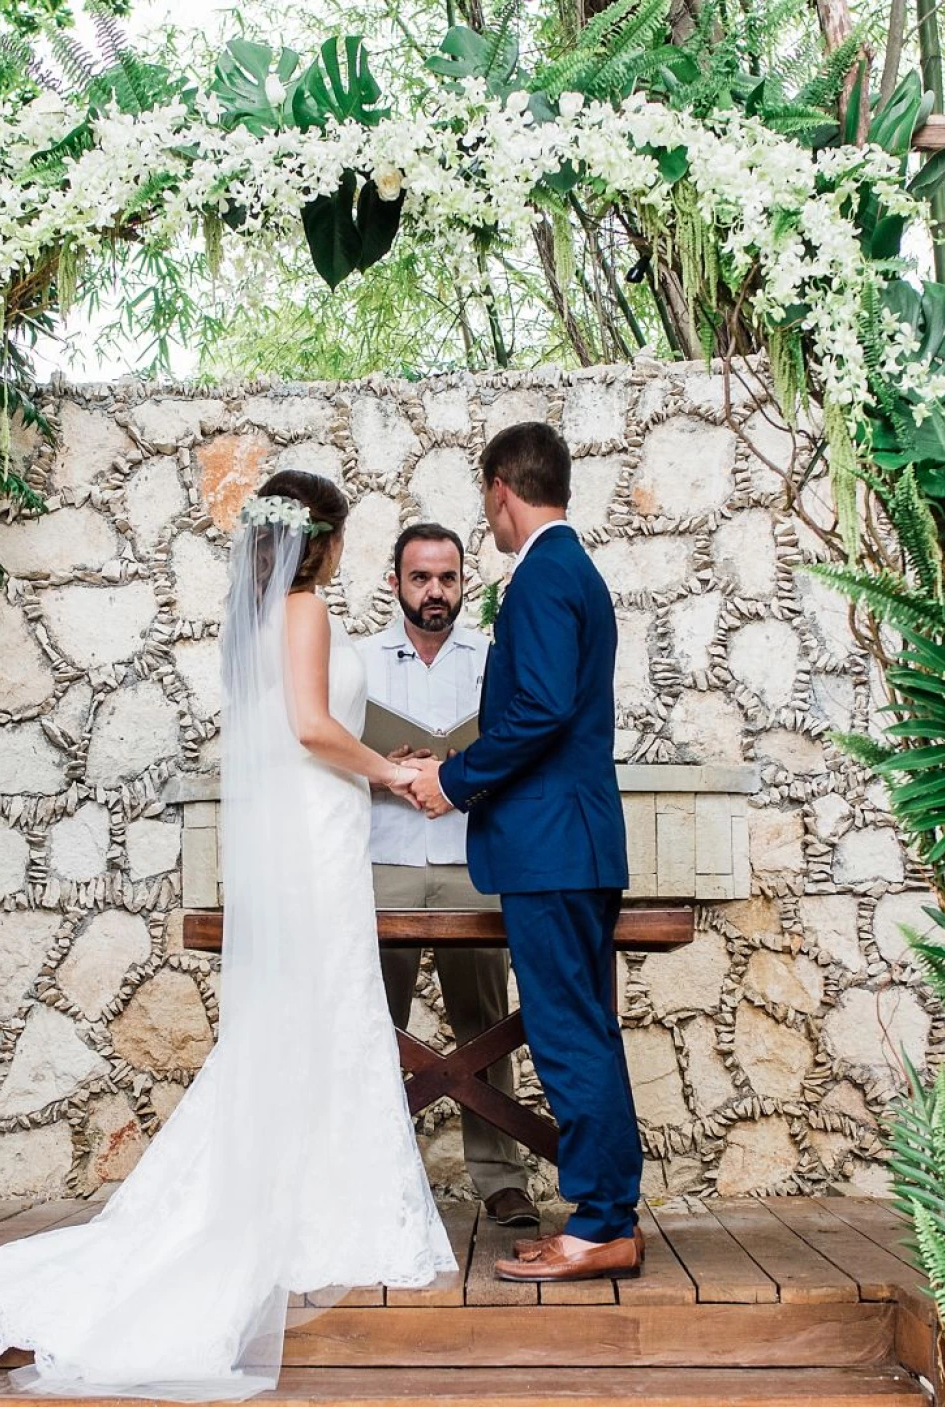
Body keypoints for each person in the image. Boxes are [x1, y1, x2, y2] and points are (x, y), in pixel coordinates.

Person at [0, 469, 453, 1398]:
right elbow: (310, 726)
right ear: (326, 544)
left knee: (310, 1022)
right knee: (321, 1016)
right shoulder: (301, 610)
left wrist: (379, 769)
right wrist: (390, 771)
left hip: (310, 829)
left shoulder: (253, 621)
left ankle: (312, 1204)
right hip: (319, 828)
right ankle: (317, 1215)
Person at [405, 421, 643, 1285]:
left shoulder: (542, 574)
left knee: (568, 1031)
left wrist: (454, 780)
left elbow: (538, 710)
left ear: (503, 486)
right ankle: (604, 1214)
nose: (488, 516)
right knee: (584, 1029)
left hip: (552, 848)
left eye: (485, 498)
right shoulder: (574, 569)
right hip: (572, 844)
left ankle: (602, 1224)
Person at [364, 523, 537, 1232]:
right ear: (395, 582)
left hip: (474, 859)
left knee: (487, 1024)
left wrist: (460, 770)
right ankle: (373, 1181)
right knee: (374, 1026)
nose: (435, 592)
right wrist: (386, 766)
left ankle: (502, 1179)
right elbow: (325, 753)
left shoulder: (494, 659)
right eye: (421, 578)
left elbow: (517, 750)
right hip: (385, 860)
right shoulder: (358, 662)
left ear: (465, 582)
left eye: (447, 578)